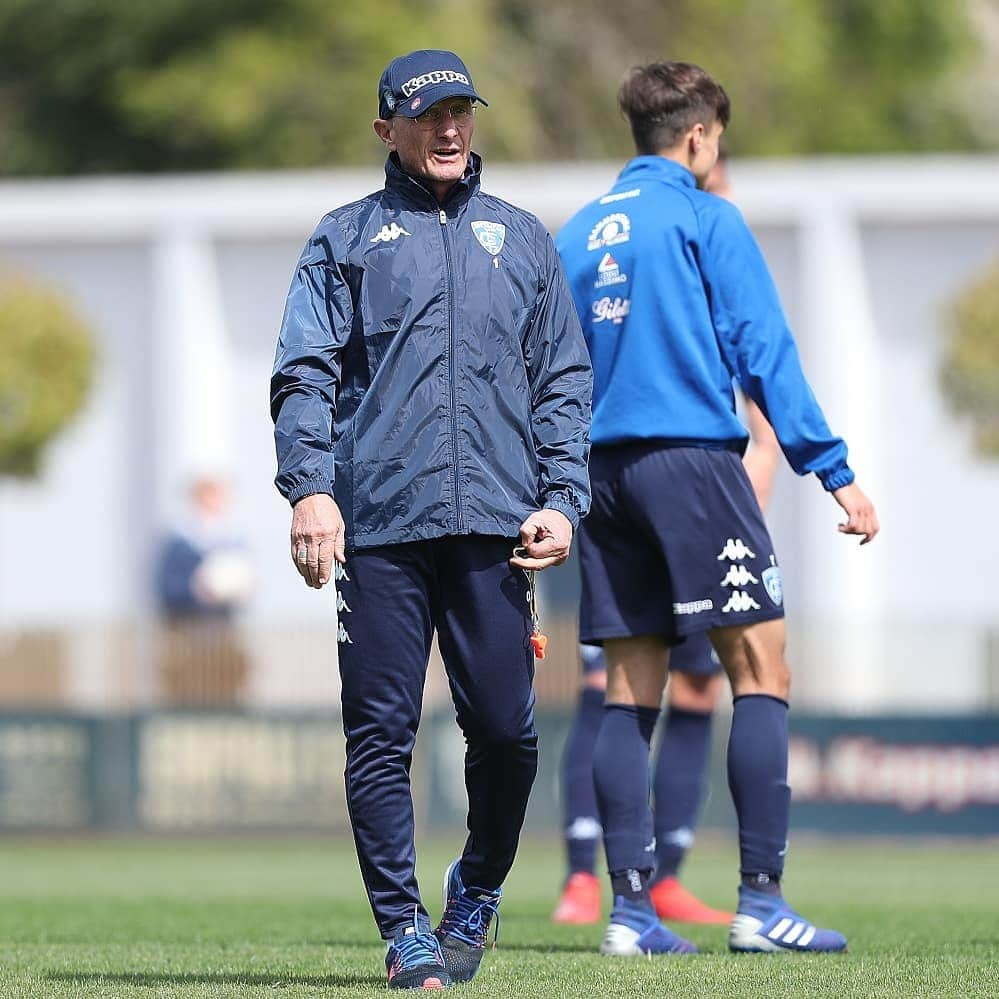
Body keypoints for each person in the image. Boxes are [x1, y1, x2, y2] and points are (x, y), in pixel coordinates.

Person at [270, 49, 591, 990]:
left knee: (507, 731)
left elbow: (563, 382)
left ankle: (477, 889)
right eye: (427, 116)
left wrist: (563, 499)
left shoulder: (522, 238)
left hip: (496, 525)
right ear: (387, 131)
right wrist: (310, 488)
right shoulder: (344, 238)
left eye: (460, 112)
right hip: (377, 528)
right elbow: (303, 375)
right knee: (379, 733)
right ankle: (405, 926)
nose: (449, 129)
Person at [556, 60, 878, 957]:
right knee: (760, 667)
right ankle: (761, 904)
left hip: (598, 478)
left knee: (626, 689)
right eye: (717, 139)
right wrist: (833, 469)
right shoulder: (705, 216)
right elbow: (762, 348)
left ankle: (628, 913)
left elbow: (542, 373)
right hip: (692, 464)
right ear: (697, 135)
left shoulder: (575, 233)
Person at [553, 392, 779, 928]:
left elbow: (750, 366)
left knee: (699, 685)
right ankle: (585, 874)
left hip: (703, 491)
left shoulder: (709, 310)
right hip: (620, 479)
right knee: (612, 677)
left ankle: (667, 877)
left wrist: (765, 453)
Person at [154, 475, 254, 704]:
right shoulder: (178, 544)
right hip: (186, 642)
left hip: (223, 642)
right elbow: (165, 588)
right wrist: (196, 591)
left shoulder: (233, 541)